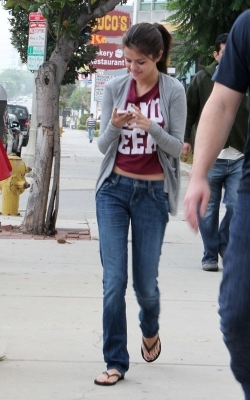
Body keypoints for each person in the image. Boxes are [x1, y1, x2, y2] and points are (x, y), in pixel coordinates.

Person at [94, 22, 186, 386]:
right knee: (114, 281)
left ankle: (150, 329)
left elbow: (179, 148)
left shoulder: (173, 90)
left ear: (158, 57)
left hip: (152, 195)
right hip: (113, 190)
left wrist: (151, 127)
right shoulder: (116, 87)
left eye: (140, 62)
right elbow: (103, 146)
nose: (132, 68)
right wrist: (116, 125)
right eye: (128, 59)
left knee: (146, 285)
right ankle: (115, 361)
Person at [184, 10, 250, 400]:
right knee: (238, 315)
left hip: (238, 156)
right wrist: (197, 175)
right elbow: (220, 103)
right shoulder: (246, 28)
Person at [183, 33, 248, 272]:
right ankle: (210, 253)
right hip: (211, 157)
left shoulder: (245, 76)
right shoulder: (202, 78)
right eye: (225, 52)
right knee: (208, 209)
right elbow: (190, 111)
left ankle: (224, 242)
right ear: (216, 55)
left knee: (237, 205)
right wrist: (186, 140)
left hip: (240, 154)